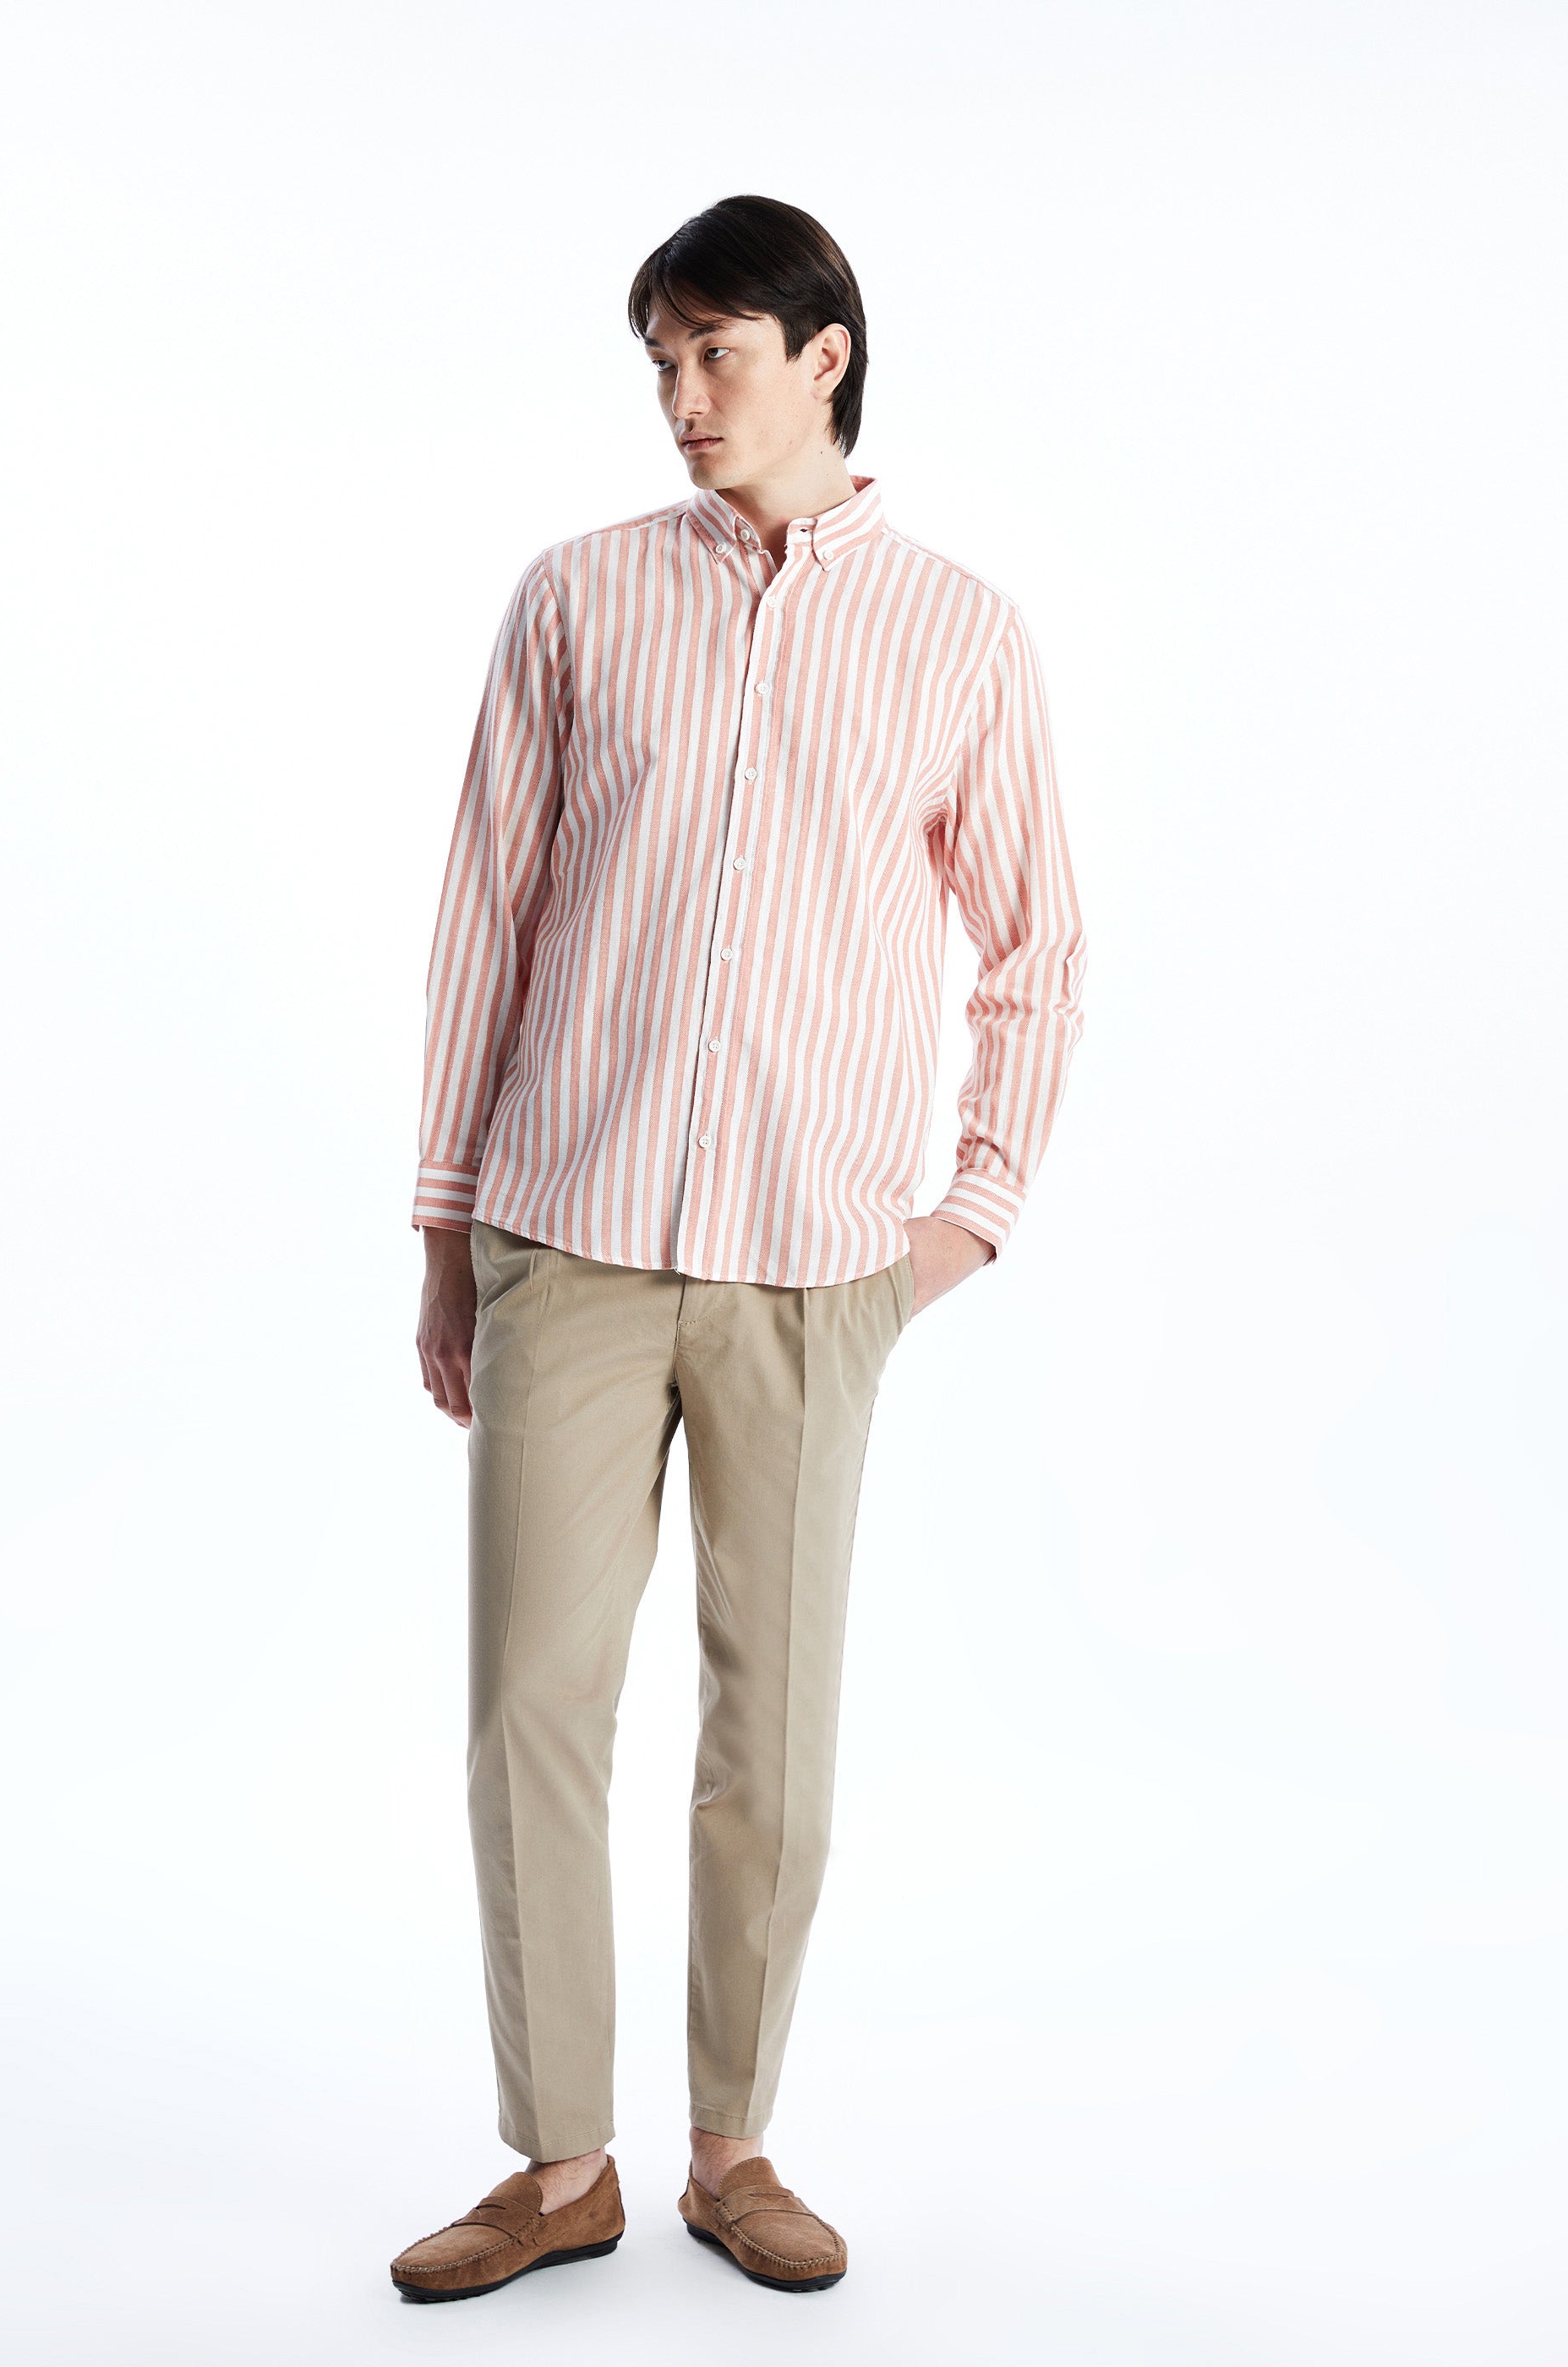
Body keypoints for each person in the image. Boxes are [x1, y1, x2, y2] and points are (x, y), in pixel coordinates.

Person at [391, 191, 1087, 2303]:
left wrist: (962, 1219)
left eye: (717, 355)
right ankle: (558, 2162)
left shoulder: (961, 632)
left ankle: (732, 2146)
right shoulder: (579, 597)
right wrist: (449, 1230)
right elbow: (486, 917)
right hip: (571, 1227)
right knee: (532, 1701)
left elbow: (1038, 946)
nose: (683, 399)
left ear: (824, 355)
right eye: (662, 365)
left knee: (770, 1727)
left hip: (816, 1265)